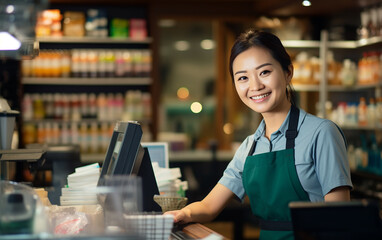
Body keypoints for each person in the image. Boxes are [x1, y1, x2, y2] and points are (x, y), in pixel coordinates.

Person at [165, 29, 353, 240]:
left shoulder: (322, 133)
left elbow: (339, 219)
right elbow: (209, 206)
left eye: (264, 72)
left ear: (288, 72)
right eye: (243, 77)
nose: (255, 86)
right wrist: (183, 214)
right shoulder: (249, 146)